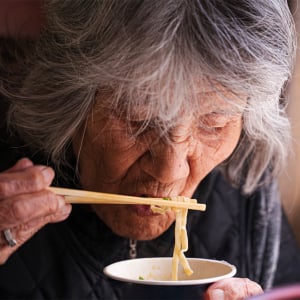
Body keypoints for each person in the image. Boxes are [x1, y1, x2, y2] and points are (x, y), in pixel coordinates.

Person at [0, 1, 300, 299]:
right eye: (140, 122)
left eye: (214, 124)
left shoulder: (244, 180)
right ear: (72, 97)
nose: (170, 171)